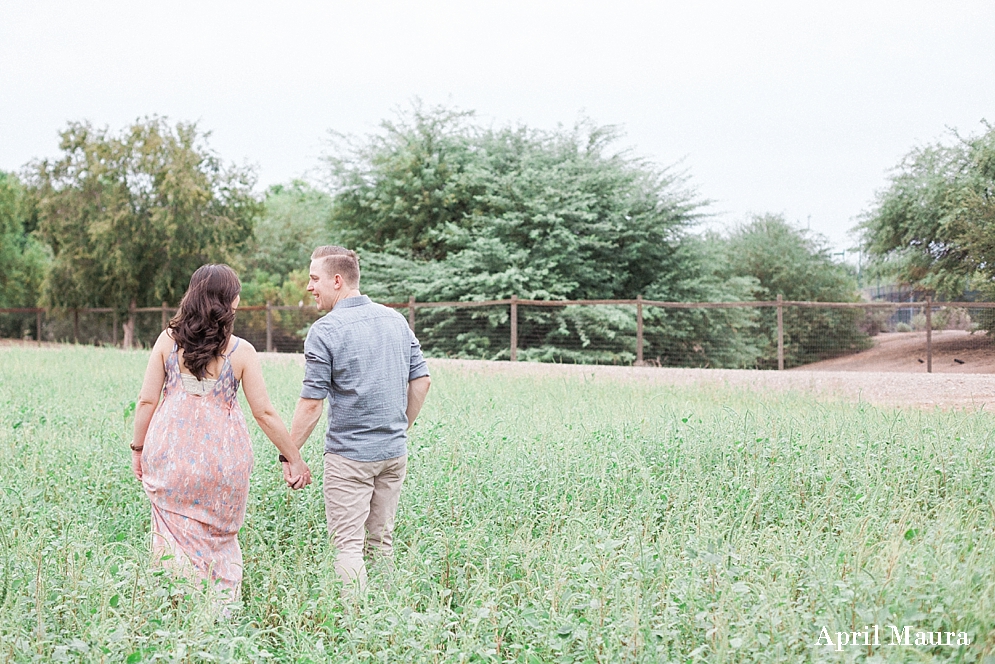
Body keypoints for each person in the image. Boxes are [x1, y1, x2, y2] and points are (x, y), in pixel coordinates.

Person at [130, 264, 312, 601]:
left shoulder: (167, 343)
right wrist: (294, 458)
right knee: (219, 540)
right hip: (223, 465)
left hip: (169, 457)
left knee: (170, 538)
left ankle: (175, 603)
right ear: (233, 302)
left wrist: (137, 448)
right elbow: (265, 413)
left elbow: (145, 401)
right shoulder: (241, 352)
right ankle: (219, 610)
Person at [286, 245, 431, 592]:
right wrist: (398, 428)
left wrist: (289, 455)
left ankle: (356, 622)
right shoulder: (395, 319)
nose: (309, 287)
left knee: (348, 547)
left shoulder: (325, 330)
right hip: (393, 453)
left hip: (349, 458)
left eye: (314, 278)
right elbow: (422, 381)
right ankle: (385, 618)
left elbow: (311, 404)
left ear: (337, 281)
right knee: (381, 544)